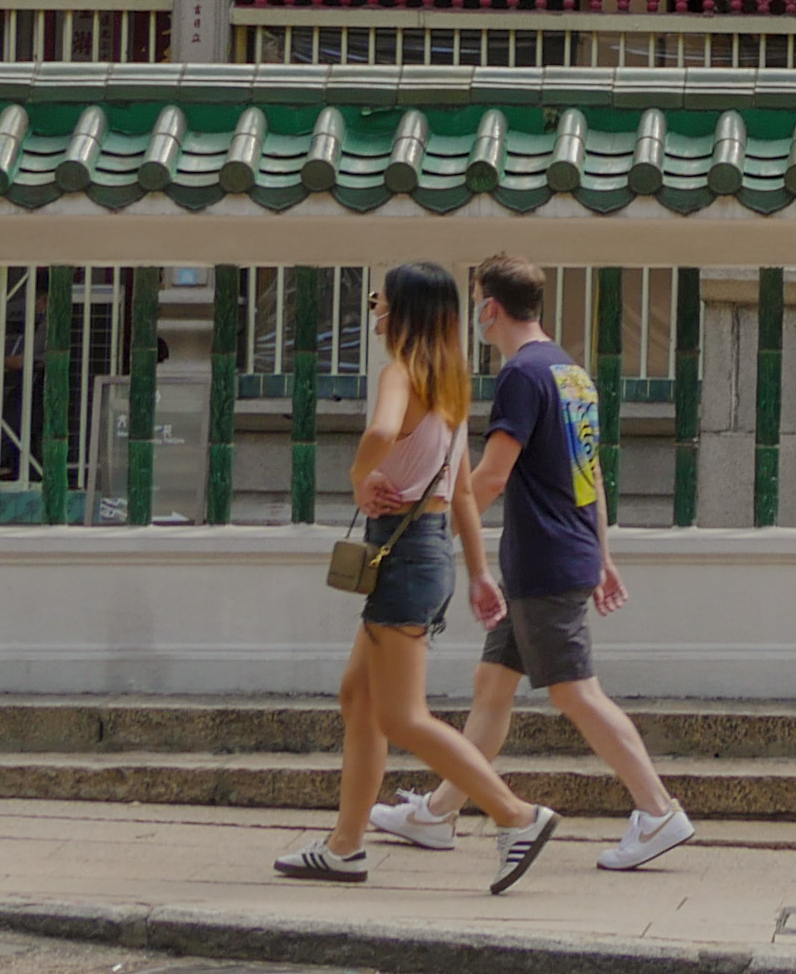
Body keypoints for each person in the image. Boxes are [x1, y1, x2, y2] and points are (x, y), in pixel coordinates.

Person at [369, 257, 695, 875]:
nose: (474, 316)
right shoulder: (572, 374)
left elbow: (491, 474)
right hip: (555, 552)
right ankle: (439, 813)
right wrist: (601, 553)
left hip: (542, 558)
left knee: (576, 693)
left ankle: (658, 811)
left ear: (490, 308)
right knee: (492, 688)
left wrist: (431, 519)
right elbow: (590, 475)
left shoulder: (521, 374)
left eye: (476, 303)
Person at [273, 260, 566, 889]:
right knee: (359, 698)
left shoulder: (401, 374)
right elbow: (461, 492)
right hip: (427, 551)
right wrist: (480, 572)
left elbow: (381, 431)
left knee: (403, 717)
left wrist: (359, 478)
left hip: (403, 556)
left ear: (402, 313)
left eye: (382, 302)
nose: (375, 311)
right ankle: (345, 844)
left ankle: (516, 815)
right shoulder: (453, 388)